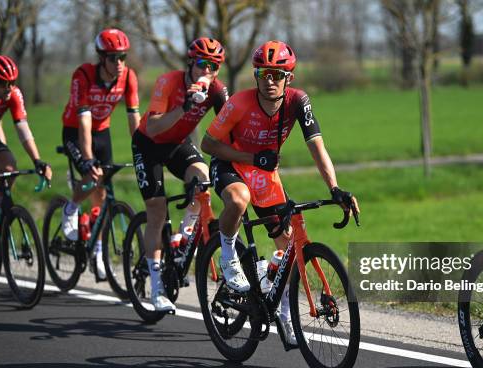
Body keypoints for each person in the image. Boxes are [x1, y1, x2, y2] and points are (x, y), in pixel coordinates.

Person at [201, 40, 359, 345]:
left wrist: (335, 188)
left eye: (277, 74)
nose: (270, 81)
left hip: (264, 172)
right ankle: (229, 258)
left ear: (290, 77)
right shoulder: (239, 103)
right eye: (264, 74)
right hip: (230, 163)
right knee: (238, 199)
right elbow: (208, 144)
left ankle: (286, 316)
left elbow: (316, 146)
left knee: (289, 247)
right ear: (256, 75)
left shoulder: (299, 102)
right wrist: (251, 158)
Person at [132, 37, 228, 312]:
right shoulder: (169, 82)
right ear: (190, 63)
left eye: (214, 66)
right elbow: (152, 127)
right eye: (202, 64)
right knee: (157, 210)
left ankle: (182, 237)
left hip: (178, 144)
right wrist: (183, 108)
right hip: (149, 144)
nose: (207, 71)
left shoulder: (216, 90)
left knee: (203, 182)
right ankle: (156, 287)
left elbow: (231, 129)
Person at [60, 28, 140, 281]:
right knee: (91, 176)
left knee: (102, 196)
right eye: (113, 57)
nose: (119, 63)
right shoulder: (83, 75)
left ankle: (98, 251)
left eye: (123, 57)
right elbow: (83, 122)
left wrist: (142, 150)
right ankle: (71, 207)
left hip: (102, 132)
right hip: (75, 131)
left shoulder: (128, 77)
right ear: (101, 57)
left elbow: (133, 119)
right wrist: (87, 159)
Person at [0, 55, 52, 220]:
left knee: (10, 170)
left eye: (13, 82)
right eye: (3, 84)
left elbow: (23, 128)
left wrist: (37, 161)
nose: (9, 88)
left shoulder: (13, 95)